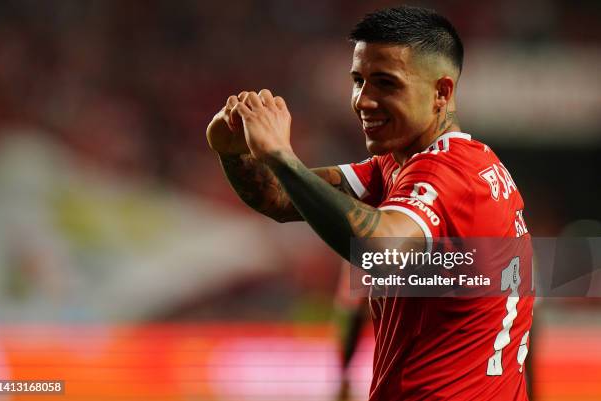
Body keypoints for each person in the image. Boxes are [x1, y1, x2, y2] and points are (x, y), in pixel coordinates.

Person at [206, 6, 533, 401]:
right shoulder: (399, 168)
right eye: (358, 81)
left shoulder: (449, 175)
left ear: (441, 92)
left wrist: (280, 155)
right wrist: (233, 153)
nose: (364, 100)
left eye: (385, 84)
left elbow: (382, 249)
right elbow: (280, 196)